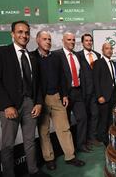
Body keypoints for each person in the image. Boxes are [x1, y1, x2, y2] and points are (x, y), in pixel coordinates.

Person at [0, 21, 49, 177]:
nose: (24, 35)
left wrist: (39, 103)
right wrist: (7, 105)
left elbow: (38, 84)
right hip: (10, 105)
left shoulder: (33, 57)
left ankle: (33, 171)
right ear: (12, 34)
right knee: (8, 144)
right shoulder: (0, 53)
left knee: (30, 141)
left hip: (30, 104)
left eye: (27, 32)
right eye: (20, 32)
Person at [33, 31, 85, 170]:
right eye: (44, 39)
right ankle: (49, 158)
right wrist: (37, 101)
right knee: (44, 131)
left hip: (57, 97)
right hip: (41, 100)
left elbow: (63, 77)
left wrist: (65, 95)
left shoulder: (56, 57)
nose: (48, 42)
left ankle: (70, 156)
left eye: (49, 39)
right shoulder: (32, 57)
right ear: (37, 40)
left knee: (64, 128)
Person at [55, 32, 90, 153]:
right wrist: (62, 93)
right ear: (63, 41)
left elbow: (82, 75)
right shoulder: (56, 55)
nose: (72, 42)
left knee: (82, 118)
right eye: (69, 39)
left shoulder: (77, 56)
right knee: (65, 123)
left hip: (77, 92)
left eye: (73, 40)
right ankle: (68, 149)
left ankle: (81, 144)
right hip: (64, 94)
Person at [77, 33, 102, 148]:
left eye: (90, 40)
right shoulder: (78, 55)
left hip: (95, 92)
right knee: (84, 117)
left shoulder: (97, 55)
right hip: (83, 92)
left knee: (95, 115)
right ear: (82, 42)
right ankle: (84, 140)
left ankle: (92, 138)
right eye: (86, 40)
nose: (89, 42)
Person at [93, 43, 116, 146]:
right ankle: (104, 140)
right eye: (107, 49)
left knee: (110, 119)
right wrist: (99, 96)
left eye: (110, 48)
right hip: (104, 96)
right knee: (103, 119)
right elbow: (96, 80)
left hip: (114, 95)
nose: (109, 50)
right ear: (102, 50)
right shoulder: (98, 62)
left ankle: (109, 137)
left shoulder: (113, 63)